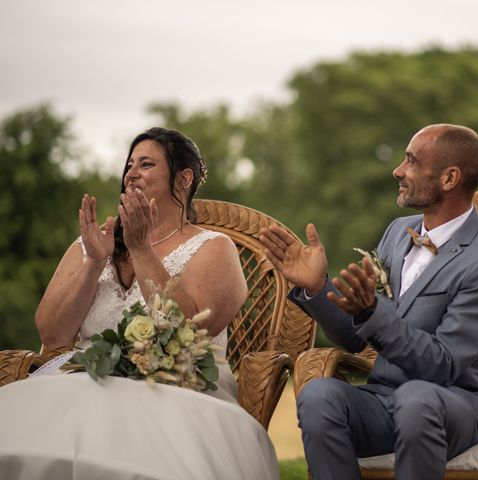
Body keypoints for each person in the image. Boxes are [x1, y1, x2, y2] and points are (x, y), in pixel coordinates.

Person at [0, 127, 279, 480]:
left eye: (146, 164)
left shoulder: (215, 247)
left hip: (178, 390)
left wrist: (141, 248)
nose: (131, 172)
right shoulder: (91, 244)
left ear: (183, 179)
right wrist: (93, 264)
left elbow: (189, 329)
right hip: (84, 382)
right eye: (130, 163)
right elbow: (52, 334)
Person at [259, 124, 478, 480]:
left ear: (449, 178)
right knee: (320, 395)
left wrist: (372, 312)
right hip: (384, 399)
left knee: (417, 397)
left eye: (411, 162)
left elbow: (442, 366)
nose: (398, 170)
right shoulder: (398, 233)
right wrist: (318, 287)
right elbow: (356, 336)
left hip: (456, 406)